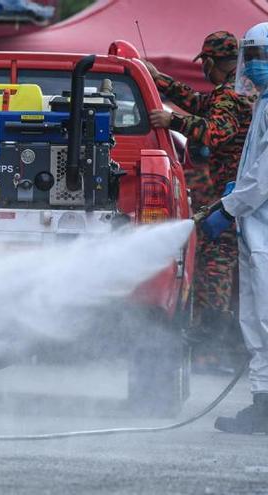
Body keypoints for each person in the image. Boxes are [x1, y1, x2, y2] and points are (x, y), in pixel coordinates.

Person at [144, 32, 253, 351]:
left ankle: (212, 323)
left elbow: (215, 133)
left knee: (217, 250)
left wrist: (172, 120)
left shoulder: (229, 95)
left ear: (208, 62)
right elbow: (201, 103)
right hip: (241, 192)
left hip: (238, 193)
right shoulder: (238, 90)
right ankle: (214, 321)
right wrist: (160, 80)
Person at [204, 22, 268, 434]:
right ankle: (262, 404)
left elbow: (265, 175)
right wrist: (236, 192)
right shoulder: (263, 101)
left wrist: (228, 207)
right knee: (255, 319)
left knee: (265, 319)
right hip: (256, 228)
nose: (256, 65)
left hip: (262, 228)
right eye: (253, 56)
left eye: (263, 56)